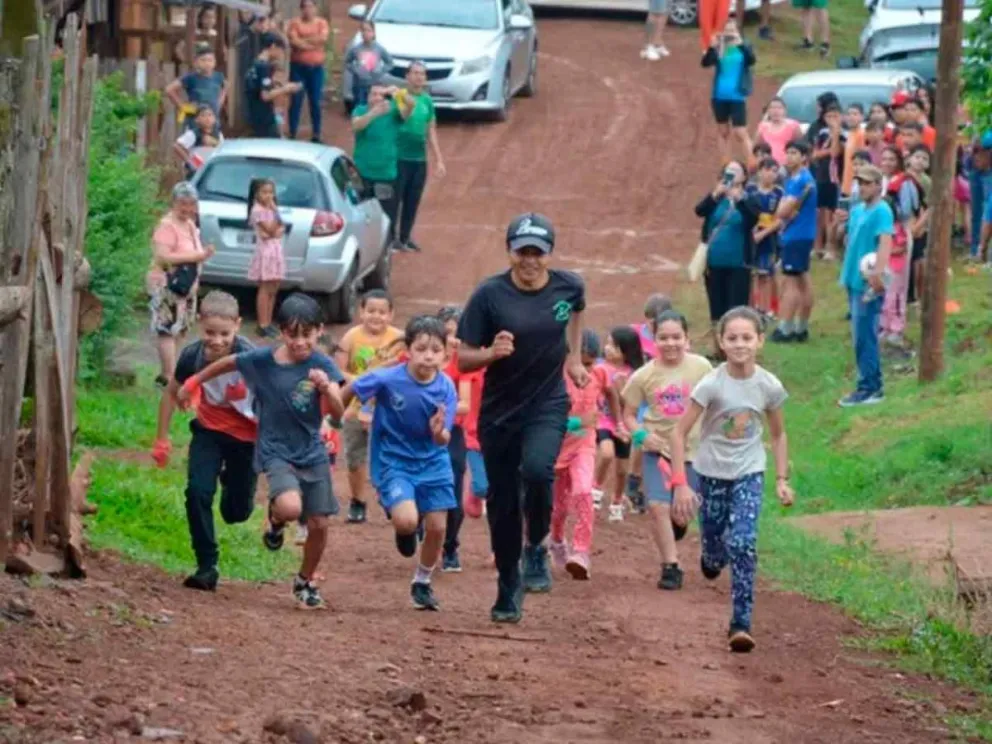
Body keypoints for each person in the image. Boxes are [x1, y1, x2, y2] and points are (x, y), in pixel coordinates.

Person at [177, 293, 346, 611]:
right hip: (274, 449)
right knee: (293, 508)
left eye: (306, 335)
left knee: (320, 523)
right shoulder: (265, 360)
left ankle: (305, 581)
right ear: (281, 331)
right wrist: (194, 382)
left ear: (319, 331)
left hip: (311, 450)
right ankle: (277, 518)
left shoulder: (323, 364)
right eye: (291, 334)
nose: (299, 343)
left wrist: (327, 389)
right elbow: (228, 362)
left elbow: (337, 413)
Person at [457, 212, 587, 624]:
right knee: (503, 504)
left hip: (547, 403)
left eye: (538, 252)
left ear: (549, 254)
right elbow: (461, 358)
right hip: (499, 413)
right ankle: (509, 584)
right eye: (522, 252)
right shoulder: (489, 296)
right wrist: (491, 354)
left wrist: (575, 358)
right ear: (509, 251)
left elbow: (577, 313)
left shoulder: (569, 287)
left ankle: (537, 547)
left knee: (536, 470)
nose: (530, 260)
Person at [670, 307, 794, 653]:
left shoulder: (768, 385)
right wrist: (680, 482)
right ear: (721, 343)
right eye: (733, 338)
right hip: (711, 473)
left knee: (743, 543)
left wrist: (781, 479)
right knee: (714, 544)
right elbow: (679, 434)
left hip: (749, 471)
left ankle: (741, 622)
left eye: (747, 338)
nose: (740, 345)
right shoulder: (712, 384)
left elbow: (779, 434)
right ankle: (710, 558)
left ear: (760, 341)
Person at [342, 315, 457, 611]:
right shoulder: (388, 378)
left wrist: (438, 433)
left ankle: (422, 581)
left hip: (434, 461)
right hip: (394, 461)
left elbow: (445, 437)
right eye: (421, 349)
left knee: (437, 527)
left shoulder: (446, 388)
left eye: (435, 350)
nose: (428, 356)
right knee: (407, 521)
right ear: (408, 349)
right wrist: (333, 413)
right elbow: (353, 389)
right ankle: (404, 527)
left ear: (446, 354)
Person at [152, 291, 256, 592]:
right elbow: (172, 392)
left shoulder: (250, 358)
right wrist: (162, 439)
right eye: (210, 332)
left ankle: (233, 482)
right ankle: (207, 565)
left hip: (247, 438)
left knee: (236, 513)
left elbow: (274, 397)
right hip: (209, 430)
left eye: (225, 333)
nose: (217, 340)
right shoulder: (192, 356)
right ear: (200, 325)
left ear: (237, 325)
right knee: (197, 492)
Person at [622, 310, 712, 591]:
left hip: (694, 451)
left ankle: (679, 523)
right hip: (658, 450)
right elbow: (628, 414)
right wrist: (640, 435)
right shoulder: (643, 376)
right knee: (658, 506)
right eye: (664, 337)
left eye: (676, 337)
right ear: (654, 339)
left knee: (683, 511)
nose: (670, 343)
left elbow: (716, 403)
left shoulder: (702, 368)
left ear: (687, 339)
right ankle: (670, 566)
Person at [334, 290, 405, 524]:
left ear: (391, 314)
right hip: (356, 404)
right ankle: (357, 501)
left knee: (390, 453)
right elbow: (337, 371)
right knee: (355, 456)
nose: (376, 316)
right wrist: (362, 381)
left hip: (389, 407)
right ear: (361, 312)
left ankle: (390, 497)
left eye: (382, 312)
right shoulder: (351, 338)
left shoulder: (400, 339)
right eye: (371, 311)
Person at [550, 330, 605, 580]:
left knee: (583, 491)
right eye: (579, 363)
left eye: (590, 364)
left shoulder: (598, 376)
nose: (584, 370)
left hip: (583, 446)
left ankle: (581, 551)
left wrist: (620, 424)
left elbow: (613, 393)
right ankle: (557, 539)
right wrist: (578, 422)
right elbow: (549, 418)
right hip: (556, 448)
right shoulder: (554, 380)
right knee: (558, 507)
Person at [148, 182, 216, 387]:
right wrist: (199, 255)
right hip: (167, 284)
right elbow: (162, 256)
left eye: (191, 204)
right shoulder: (166, 226)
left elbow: (195, 257)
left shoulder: (190, 225)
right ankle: (167, 375)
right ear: (173, 203)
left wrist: (197, 274)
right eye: (182, 204)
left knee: (182, 328)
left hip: (187, 286)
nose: (187, 208)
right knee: (167, 329)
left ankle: (173, 373)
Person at [837, 165, 893, 406]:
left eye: (868, 183)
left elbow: (885, 242)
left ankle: (870, 386)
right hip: (852, 277)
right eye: (860, 182)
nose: (863, 187)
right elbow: (849, 238)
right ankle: (868, 383)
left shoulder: (882, 210)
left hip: (868, 281)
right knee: (858, 334)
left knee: (865, 334)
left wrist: (878, 273)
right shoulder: (857, 210)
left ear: (879, 186)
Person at [695, 161, 758, 356]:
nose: (731, 174)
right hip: (714, 263)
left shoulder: (748, 198)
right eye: (728, 171)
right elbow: (699, 211)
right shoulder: (717, 197)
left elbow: (752, 219)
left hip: (739, 263)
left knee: (736, 307)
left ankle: (738, 347)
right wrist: (716, 194)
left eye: (736, 171)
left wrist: (738, 199)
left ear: (744, 177)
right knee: (717, 306)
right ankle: (719, 349)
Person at [394, 62, 447, 253]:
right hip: (399, 157)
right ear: (407, 76)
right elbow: (399, 117)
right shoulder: (399, 96)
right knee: (395, 199)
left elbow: (430, 130)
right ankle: (392, 239)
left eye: (422, 74)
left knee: (412, 200)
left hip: (419, 159)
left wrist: (438, 159)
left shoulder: (427, 101)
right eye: (415, 73)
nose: (418, 77)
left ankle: (405, 237)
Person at [592, 327, 643, 519]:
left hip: (625, 426)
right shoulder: (600, 369)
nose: (608, 349)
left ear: (627, 351)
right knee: (605, 453)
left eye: (614, 346)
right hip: (604, 420)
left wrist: (622, 394)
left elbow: (632, 404)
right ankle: (595, 489)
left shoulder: (634, 375)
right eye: (607, 344)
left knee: (622, 470)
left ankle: (617, 500)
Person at [438, 305, 474, 573]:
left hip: (452, 433)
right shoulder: (418, 359)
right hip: (419, 433)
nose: (453, 340)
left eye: (458, 334)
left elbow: (465, 404)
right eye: (447, 333)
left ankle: (450, 546)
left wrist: (434, 406)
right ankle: (416, 524)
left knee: (452, 488)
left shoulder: (462, 364)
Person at [771, 140, 817, 343]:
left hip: (796, 235)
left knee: (791, 283)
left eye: (794, 152)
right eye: (787, 152)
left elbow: (782, 211)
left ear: (804, 157)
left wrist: (782, 208)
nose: (789, 156)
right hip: (802, 234)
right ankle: (801, 328)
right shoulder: (797, 179)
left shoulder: (800, 181)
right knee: (803, 279)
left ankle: (786, 329)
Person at [351, 84, 403, 236]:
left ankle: (385, 249)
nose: (377, 98)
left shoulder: (393, 111)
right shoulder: (360, 110)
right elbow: (356, 125)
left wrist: (399, 95)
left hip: (385, 175)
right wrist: (374, 113)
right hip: (362, 174)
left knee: (386, 216)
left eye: (381, 95)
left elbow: (409, 108)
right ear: (367, 97)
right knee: (360, 214)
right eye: (374, 94)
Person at [702, 21, 755, 166]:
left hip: (737, 95)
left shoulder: (744, 46)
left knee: (740, 131)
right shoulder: (720, 46)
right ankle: (725, 162)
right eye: (727, 30)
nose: (730, 33)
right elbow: (705, 63)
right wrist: (712, 47)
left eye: (732, 30)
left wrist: (741, 44)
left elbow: (752, 60)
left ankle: (752, 160)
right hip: (719, 95)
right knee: (723, 131)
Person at [246, 178, 286, 339]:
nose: (269, 196)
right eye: (264, 192)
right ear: (256, 194)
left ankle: (268, 322)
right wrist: (275, 215)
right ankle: (262, 323)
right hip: (266, 251)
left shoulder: (270, 210)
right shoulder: (258, 211)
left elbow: (282, 226)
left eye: (271, 192)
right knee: (265, 286)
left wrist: (275, 214)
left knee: (273, 287)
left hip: (275, 248)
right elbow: (270, 230)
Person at [287, 0, 329, 142]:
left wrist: (303, 41)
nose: (308, 10)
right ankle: (292, 132)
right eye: (305, 7)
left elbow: (323, 38)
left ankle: (316, 134)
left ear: (315, 8)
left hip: (316, 69)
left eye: (311, 6)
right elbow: (294, 41)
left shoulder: (321, 23)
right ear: (301, 9)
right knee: (296, 101)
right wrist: (312, 43)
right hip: (298, 68)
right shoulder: (295, 23)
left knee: (316, 101)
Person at [245, 32, 302, 138]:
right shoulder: (263, 67)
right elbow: (265, 95)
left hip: (253, 113)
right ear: (273, 46)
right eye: (280, 51)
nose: (281, 55)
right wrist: (286, 89)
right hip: (263, 116)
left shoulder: (255, 63)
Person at [747, 157, 784, 318]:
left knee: (766, 275)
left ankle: (765, 309)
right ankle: (750, 309)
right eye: (768, 170)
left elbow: (779, 220)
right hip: (751, 238)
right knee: (750, 275)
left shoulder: (779, 193)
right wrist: (752, 231)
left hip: (768, 239)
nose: (771, 174)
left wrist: (763, 233)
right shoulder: (750, 190)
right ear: (760, 171)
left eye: (775, 171)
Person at [810, 102, 847, 261]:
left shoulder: (843, 134)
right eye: (829, 116)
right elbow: (815, 154)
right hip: (821, 175)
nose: (832, 119)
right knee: (820, 212)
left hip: (836, 177)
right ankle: (817, 247)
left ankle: (830, 247)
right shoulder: (822, 133)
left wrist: (836, 131)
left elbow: (835, 152)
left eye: (835, 116)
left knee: (832, 214)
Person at [165, 43, 227, 130]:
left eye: (210, 60)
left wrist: (219, 103)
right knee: (194, 141)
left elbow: (224, 88)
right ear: (196, 62)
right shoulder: (191, 77)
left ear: (215, 62)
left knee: (213, 141)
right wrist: (182, 106)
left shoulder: (219, 77)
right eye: (203, 60)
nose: (207, 63)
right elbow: (169, 89)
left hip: (212, 120)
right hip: (194, 120)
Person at [345, 19, 393, 107]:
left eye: (368, 30)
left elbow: (389, 63)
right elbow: (347, 62)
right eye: (363, 30)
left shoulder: (379, 49)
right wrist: (355, 70)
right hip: (359, 86)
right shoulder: (356, 49)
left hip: (374, 86)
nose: (365, 33)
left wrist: (380, 71)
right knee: (360, 108)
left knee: (373, 108)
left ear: (373, 33)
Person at [173, 104, 223, 180]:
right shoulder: (193, 134)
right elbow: (177, 146)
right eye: (203, 115)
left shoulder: (218, 134)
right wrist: (192, 162)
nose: (207, 118)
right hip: (196, 172)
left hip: (213, 171)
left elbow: (223, 148)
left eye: (210, 115)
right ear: (197, 119)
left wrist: (214, 143)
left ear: (215, 118)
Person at [754, 97, 802, 167]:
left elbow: (801, 146)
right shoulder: (762, 127)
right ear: (768, 111)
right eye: (772, 108)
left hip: (787, 166)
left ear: (785, 110)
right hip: (768, 166)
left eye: (779, 108)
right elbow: (756, 147)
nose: (776, 111)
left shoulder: (793, 126)